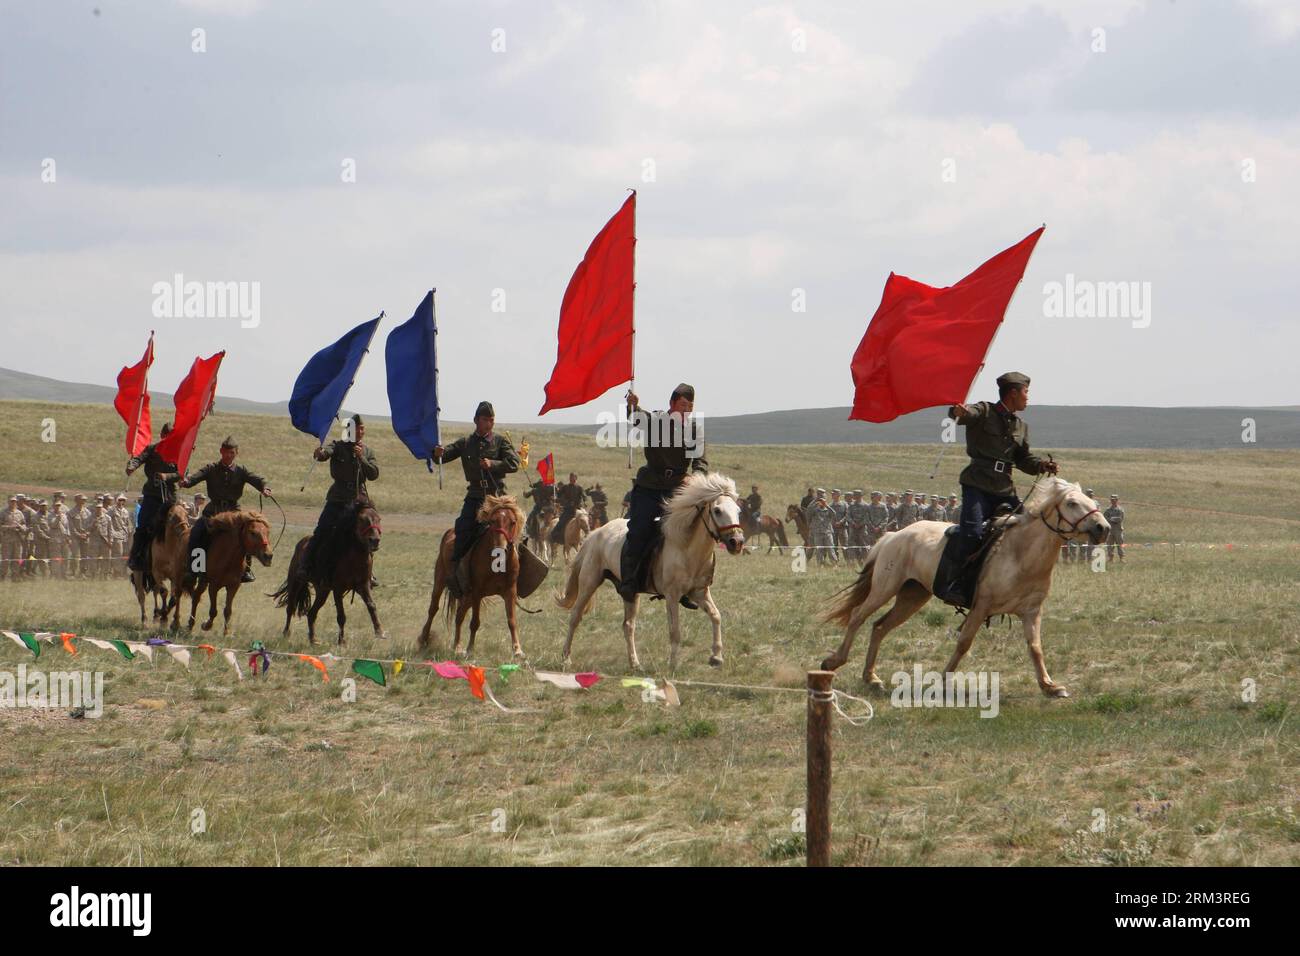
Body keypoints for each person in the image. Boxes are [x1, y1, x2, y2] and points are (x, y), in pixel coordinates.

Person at [938, 371, 1058, 604]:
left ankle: (1016, 585)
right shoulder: (984, 411)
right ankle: (958, 583)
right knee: (972, 533)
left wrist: (1041, 465)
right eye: (1025, 392)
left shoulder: (1021, 426)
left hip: (1005, 490)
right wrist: (956, 411)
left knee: (1029, 531)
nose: (1027, 397)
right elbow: (964, 415)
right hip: (978, 486)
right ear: (1013, 393)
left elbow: (1023, 459)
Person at [617, 383, 709, 606]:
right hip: (650, 486)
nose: (686, 410)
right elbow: (636, 418)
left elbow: (701, 462)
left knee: (686, 532)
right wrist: (633, 406)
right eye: (683, 405)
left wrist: (696, 477)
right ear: (672, 403)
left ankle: (687, 587)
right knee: (639, 529)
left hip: (677, 489)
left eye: (690, 406)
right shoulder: (656, 420)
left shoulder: (694, 430)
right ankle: (629, 581)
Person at [433, 401, 519, 598]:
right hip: (475, 496)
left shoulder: (500, 442)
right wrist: (437, 452)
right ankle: (455, 572)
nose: (489, 423)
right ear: (476, 421)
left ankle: (517, 576)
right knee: (462, 527)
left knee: (514, 532)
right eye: (485, 419)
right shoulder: (465, 443)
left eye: (491, 420)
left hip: (497, 499)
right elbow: (444, 455)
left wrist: (494, 463)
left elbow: (514, 463)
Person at [177, 436, 271, 583]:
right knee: (196, 533)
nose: (228, 455)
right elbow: (195, 477)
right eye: (226, 452)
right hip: (213, 512)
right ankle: (195, 569)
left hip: (234, 514)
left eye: (232, 453)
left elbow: (258, 479)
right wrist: (186, 482)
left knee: (247, 535)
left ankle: (245, 570)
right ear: (221, 451)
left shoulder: (241, 471)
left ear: (236, 453)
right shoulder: (211, 468)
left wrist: (264, 488)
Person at [304, 413, 379, 583]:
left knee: (370, 532)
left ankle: (369, 573)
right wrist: (319, 453)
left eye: (362, 429)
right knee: (322, 530)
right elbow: (325, 453)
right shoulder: (338, 446)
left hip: (359, 501)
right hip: (338, 498)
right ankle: (306, 565)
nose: (361, 432)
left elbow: (374, 474)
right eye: (358, 429)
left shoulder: (367, 451)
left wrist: (362, 458)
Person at [551, 472, 586, 545]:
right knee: (561, 520)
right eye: (570, 477)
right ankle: (554, 535)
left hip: (577, 509)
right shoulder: (566, 487)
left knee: (585, 519)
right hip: (568, 509)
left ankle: (587, 536)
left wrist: (584, 501)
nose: (571, 479)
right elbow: (559, 494)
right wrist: (555, 491)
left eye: (573, 477)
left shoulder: (579, 487)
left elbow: (584, 495)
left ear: (576, 478)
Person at [807, 492, 837, 566]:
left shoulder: (828, 509)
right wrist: (815, 502)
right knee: (819, 550)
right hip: (817, 533)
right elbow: (808, 512)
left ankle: (834, 564)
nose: (821, 502)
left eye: (822, 501)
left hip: (828, 533)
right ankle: (820, 564)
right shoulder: (814, 510)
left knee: (830, 549)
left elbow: (834, 514)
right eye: (820, 501)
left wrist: (826, 505)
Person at [1, 497, 26, 581]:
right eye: (11, 501)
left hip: (18, 539)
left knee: (17, 558)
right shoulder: (3, 513)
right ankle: (2, 576)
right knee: (6, 559)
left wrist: (20, 527)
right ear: (8, 502)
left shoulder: (19, 513)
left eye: (14, 501)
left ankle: (15, 576)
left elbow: (24, 525)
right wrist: (9, 527)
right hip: (7, 539)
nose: (13, 503)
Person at [1105, 494, 1125, 562]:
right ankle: (1110, 558)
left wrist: (1111, 519)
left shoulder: (1120, 509)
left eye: (1114, 500)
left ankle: (1121, 557)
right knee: (1109, 544)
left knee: (1120, 543)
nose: (1113, 501)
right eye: (1112, 500)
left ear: (1117, 500)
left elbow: (1120, 518)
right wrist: (1112, 519)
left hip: (1118, 529)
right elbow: (1105, 518)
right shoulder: (1107, 510)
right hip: (1110, 530)